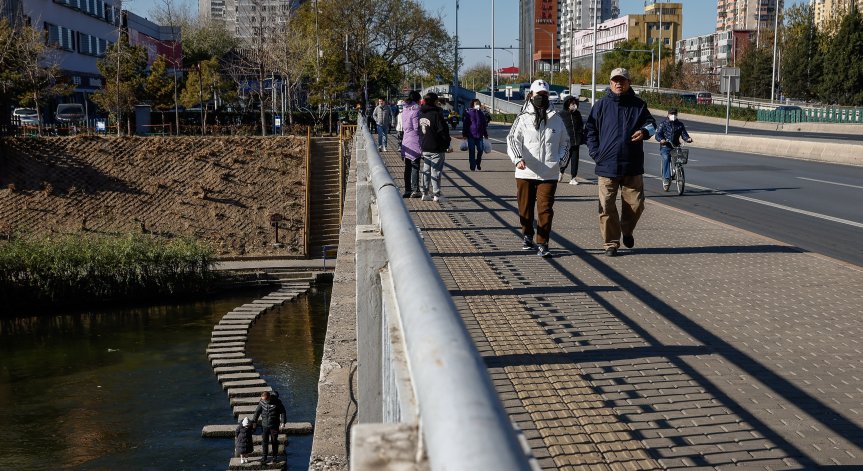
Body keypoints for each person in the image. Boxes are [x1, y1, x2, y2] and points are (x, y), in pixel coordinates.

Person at [584, 68, 656, 257]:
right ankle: (610, 243)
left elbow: (652, 125)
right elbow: (590, 130)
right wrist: (596, 153)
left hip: (632, 165)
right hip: (606, 166)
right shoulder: (601, 106)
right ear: (610, 83)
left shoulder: (639, 105)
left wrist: (645, 132)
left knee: (636, 205)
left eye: (622, 80)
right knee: (606, 206)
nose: (618, 83)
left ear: (628, 83)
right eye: (615, 80)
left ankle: (627, 230)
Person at [506, 79, 569, 258]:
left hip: (549, 172)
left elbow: (565, 142)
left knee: (545, 209)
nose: (542, 97)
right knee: (525, 208)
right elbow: (512, 139)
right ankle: (527, 234)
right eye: (538, 94)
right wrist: (518, 159)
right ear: (531, 95)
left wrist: (560, 161)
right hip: (525, 171)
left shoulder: (556, 119)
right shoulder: (522, 118)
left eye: (545, 94)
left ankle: (543, 243)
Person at [418, 92, 451, 202]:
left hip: (425, 145)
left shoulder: (421, 114)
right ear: (435, 101)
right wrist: (447, 144)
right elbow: (442, 131)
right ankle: (437, 194)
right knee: (435, 171)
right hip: (436, 146)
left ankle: (425, 193)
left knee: (426, 170)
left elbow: (419, 130)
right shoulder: (436, 114)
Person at [655, 108, 693, 191]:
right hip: (666, 146)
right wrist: (661, 140)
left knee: (679, 159)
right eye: (671, 114)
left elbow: (684, 134)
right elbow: (658, 134)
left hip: (676, 146)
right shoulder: (663, 124)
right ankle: (666, 178)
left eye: (675, 114)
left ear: (677, 114)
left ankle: (678, 171)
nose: (673, 115)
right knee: (666, 158)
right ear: (668, 114)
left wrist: (688, 139)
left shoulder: (680, 124)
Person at [252, 390, 286, 464]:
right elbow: (257, 412)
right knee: (264, 441)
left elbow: (283, 412)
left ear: (269, 398)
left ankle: (275, 457)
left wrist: (283, 422)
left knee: (274, 441)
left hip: (274, 425)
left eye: (265, 400)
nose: (263, 400)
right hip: (264, 425)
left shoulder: (277, 402)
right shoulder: (262, 402)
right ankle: (264, 456)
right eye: (262, 399)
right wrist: (254, 422)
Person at [399, 91, 422, 198]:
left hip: (406, 140)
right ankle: (415, 189)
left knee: (407, 166)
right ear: (417, 100)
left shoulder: (405, 109)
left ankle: (407, 190)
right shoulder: (416, 110)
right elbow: (416, 127)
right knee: (415, 166)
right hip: (414, 140)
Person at [559, 95, 584, 185]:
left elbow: (581, 125)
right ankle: (561, 172)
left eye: (574, 103)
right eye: (572, 103)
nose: (574, 105)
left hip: (576, 141)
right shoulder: (561, 114)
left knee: (575, 160)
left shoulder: (577, 114)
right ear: (567, 104)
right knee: (565, 159)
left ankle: (573, 178)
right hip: (566, 141)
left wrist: (581, 135)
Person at [462, 98, 489, 171]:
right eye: (476, 104)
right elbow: (465, 125)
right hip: (471, 135)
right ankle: (472, 165)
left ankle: (478, 162)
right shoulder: (469, 113)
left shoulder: (481, 114)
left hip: (479, 136)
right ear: (473, 105)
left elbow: (484, 125)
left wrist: (485, 134)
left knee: (480, 150)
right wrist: (464, 135)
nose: (478, 105)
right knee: (472, 151)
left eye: (479, 104)